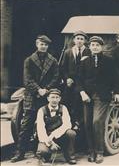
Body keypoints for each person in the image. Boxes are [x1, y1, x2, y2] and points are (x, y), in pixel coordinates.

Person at [11, 35, 59, 163]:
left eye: (46, 45)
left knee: (46, 125)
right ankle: (19, 153)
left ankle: (42, 152)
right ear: (37, 44)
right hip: (32, 96)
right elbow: (27, 80)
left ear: (48, 46)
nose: (43, 46)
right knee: (26, 125)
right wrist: (38, 89)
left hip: (46, 97)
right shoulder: (29, 60)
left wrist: (46, 89)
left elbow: (56, 77)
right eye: (41, 44)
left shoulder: (53, 61)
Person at [77, 36, 119, 164]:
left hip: (102, 96)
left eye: (97, 45)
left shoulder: (109, 61)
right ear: (89, 47)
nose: (95, 47)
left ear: (101, 47)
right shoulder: (85, 62)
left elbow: (116, 78)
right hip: (87, 96)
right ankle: (91, 151)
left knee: (97, 121)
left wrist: (117, 92)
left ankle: (100, 152)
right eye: (92, 45)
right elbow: (79, 79)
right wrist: (82, 92)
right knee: (87, 123)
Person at [36, 89, 76, 164]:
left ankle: (70, 156)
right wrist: (50, 143)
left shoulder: (63, 108)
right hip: (46, 138)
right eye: (52, 97)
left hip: (60, 136)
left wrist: (53, 135)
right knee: (42, 151)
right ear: (48, 98)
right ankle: (46, 156)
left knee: (71, 133)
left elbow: (67, 125)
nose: (54, 100)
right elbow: (40, 130)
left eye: (57, 97)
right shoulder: (41, 110)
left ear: (60, 99)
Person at [60, 30, 90, 132]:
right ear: (74, 40)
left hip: (83, 82)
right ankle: (67, 122)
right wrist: (67, 78)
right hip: (71, 82)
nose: (79, 41)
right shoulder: (68, 52)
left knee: (79, 102)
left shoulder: (88, 52)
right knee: (67, 100)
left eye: (82, 39)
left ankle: (79, 123)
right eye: (77, 38)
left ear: (85, 41)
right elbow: (63, 68)